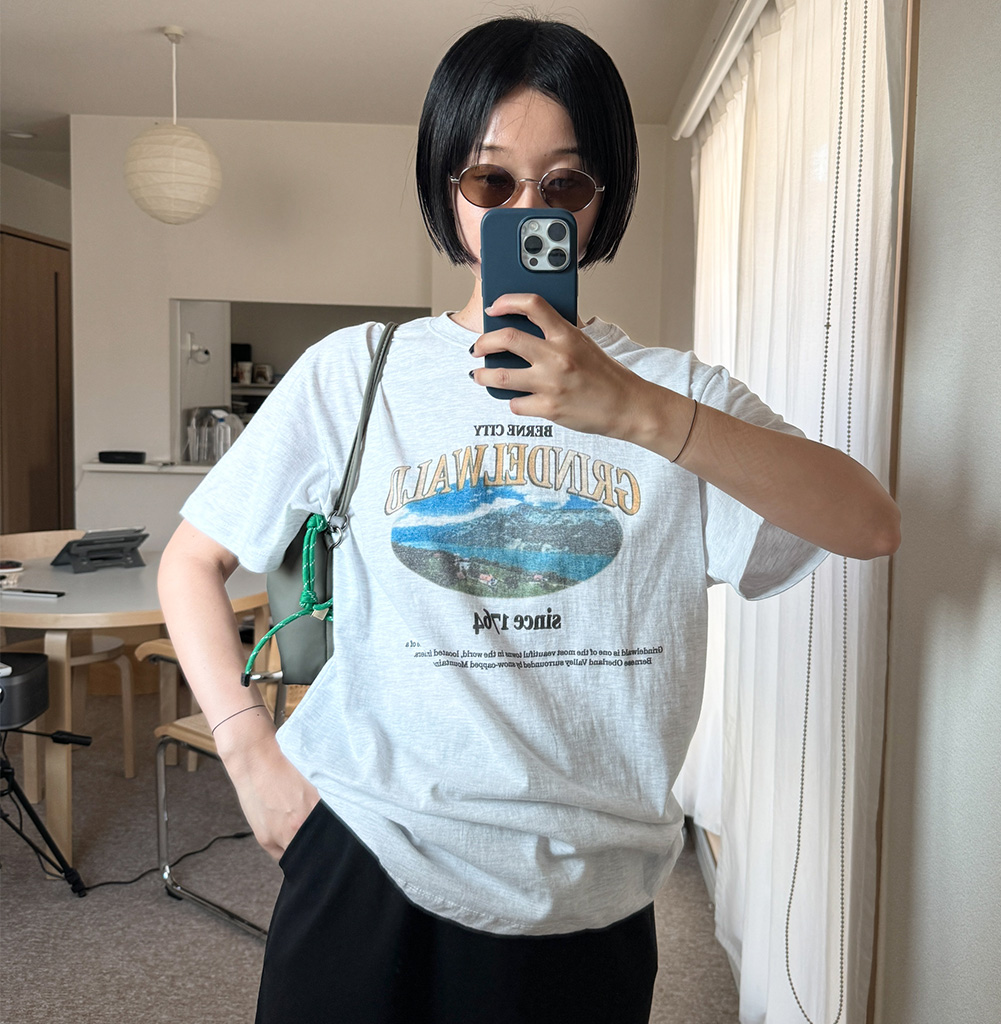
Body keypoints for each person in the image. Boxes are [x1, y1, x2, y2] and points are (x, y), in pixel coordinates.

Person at [158, 16, 900, 1024]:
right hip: (366, 848)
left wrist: (636, 411)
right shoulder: (358, 373)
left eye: (564, 184)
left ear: (603, 199)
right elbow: (191, 561)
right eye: (490, 181)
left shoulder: (679, 393)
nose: (527, 210)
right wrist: (251, 759)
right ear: (447, 192)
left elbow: (868, 522)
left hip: (585, 890)